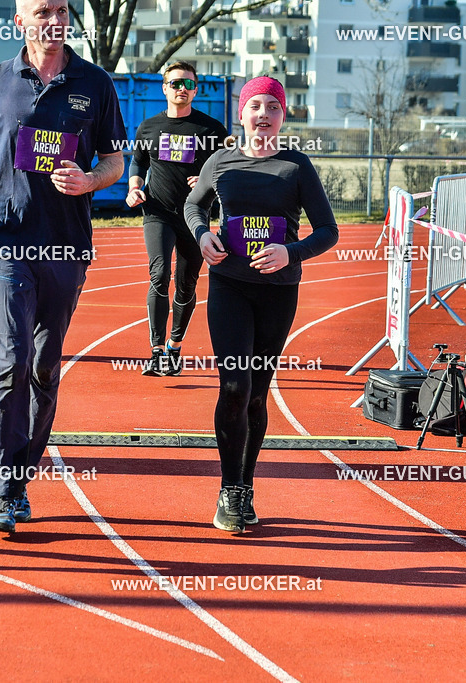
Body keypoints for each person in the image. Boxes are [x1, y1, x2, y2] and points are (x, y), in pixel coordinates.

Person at [0, 0, 126, 532]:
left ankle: (21, 477)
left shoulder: (94, 84)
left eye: (62, 10)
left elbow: (116, 161)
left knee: (45, 366)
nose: (54, 19)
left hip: (66, 246)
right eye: (42, 10)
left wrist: (90, 180)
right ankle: (0, 489)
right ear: (20, 22)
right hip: (5, 243)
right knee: (13, 355)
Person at [183, 77, 339, 532]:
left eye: (273, 106)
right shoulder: (221, 161)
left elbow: (328, 231)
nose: (263, 113)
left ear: (282, 115)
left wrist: (291, 252)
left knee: (256, 391)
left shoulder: (296, 167)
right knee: (233, 385)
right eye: (255, 105)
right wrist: (203, 233)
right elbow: (194, 207)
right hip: (229, 284)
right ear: (242, 113)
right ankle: (229, 488)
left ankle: (245, 485)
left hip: (278, 290)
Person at [125, 61, 228, 377]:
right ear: (164, 88)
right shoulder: (149, 127)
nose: (181, 88)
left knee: (186, 284)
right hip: (157, 212)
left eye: (187, 83)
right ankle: (156, 351)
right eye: (175, 83)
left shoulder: (211, 130)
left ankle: (174, 346)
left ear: (195, 89)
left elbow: (229, 169)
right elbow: (138, 164)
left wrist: (207, 179)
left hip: (195, 217)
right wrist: (134, 188)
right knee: (159, 275)